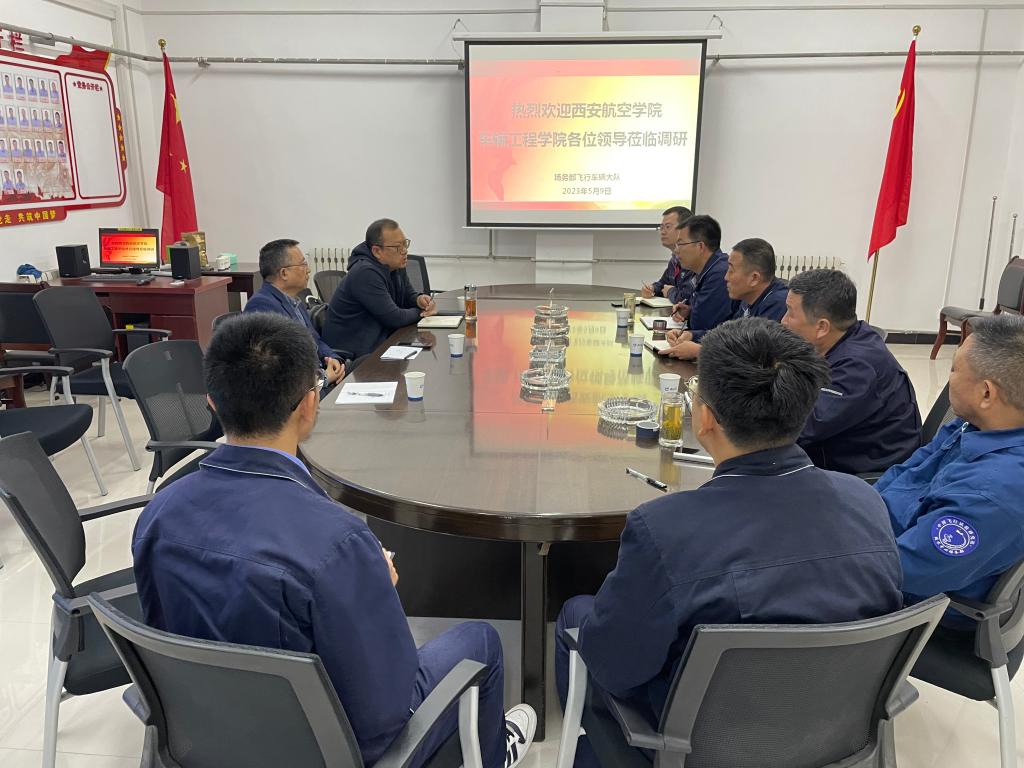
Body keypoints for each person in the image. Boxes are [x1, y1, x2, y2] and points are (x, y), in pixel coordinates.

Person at [133, 313, 537, 768]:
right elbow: (386, 713)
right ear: (309, 404)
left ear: (211, 403)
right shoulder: (337, 542)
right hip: (322, 751)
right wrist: (376, 588)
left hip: (210, 733)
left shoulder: (158, 514)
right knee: (481, 640)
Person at [555, 318, 902, 767]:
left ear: (705, 418)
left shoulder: (664, 530)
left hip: (697, 749)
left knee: (576, 616)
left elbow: (613, 666)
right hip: (833, 738)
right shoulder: (866, 502)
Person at [878, 314, 1024, 621]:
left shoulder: (989, 496)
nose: (949, 378)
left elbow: (900, 571)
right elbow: (905, 474)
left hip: (914, 608)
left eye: (954, 369)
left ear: (986, 393)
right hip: (878, 541)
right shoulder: (973, 426)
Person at [782, 268, 921, 475]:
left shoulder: (857, 367)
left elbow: (800, 428)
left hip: (864, 473)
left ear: (822, 327)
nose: (783, 321)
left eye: (790, 313)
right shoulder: (841, 338)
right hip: (835, 450)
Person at [322, 218, 437, 359]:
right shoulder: (365, 273)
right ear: (377, 251)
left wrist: (419, 300)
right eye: (397, 247)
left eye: (405, 244)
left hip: (380, 341)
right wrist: (423, 312)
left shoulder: (395, 265)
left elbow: (408, 296)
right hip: (354, 353)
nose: (404, 251)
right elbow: (395, 318)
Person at [660, 236, 789, 360]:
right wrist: (691, 335)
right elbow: (728, 335)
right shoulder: (747, 298)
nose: (726, 277)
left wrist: (700, 352)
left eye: (731, 271)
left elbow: (754, 358)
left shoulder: (778, 303)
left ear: (754, 278)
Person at [244, 238, 345, 387]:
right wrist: (323, 379)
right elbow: (279, 370)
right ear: (284, 273)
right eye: (303, 264)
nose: (308, 270)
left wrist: (332, 358)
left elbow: (316, 341)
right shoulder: (262, 307)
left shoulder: (295, 301)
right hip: (303, 392)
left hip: (317, 381)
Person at [667, 214, 737, 339]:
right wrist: (689, 311)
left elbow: (703, 324)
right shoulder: (707, 268)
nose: (676, 250)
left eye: (680, 244)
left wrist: (692, 316)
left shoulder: (719, 274)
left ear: (700, 246)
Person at [641, 205, 694, 303]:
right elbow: (663, 284)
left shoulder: (693, 259)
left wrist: (670, 291)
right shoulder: (675, 260)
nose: (662, 232)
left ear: (685, 229)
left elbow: (686, 299)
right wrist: (652, 288)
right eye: (661, 227)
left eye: (668, 227)